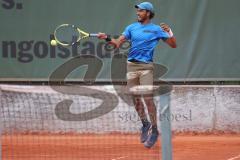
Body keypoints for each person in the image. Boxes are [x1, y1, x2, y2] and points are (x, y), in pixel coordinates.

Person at [98, 2, 177, 148]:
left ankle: (154, 130)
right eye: (138, 11)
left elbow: (173, 45)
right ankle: (145, 123)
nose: (138, 13)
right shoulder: (131, 28)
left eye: (140, 11)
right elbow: (117, 43)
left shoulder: (156, 30)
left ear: (148, 13)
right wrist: (106, 38)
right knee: (135, 99)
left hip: (146, 67)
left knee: (148, 98)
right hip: (131, 67)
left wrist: (170, 32)